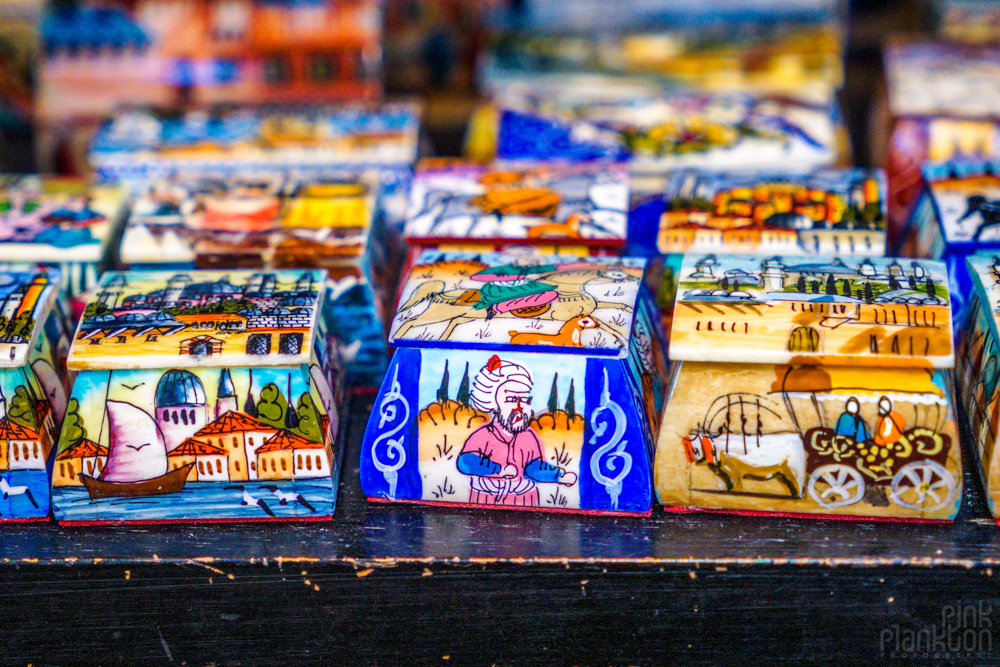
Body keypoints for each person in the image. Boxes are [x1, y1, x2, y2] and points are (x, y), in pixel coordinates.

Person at [456, 355, 577, 506]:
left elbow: (534, 468)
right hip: (485, 501)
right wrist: (498, 470)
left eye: (524, 400)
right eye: (512, 400)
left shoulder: (529, 437)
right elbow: (465, 462)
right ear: (493, 403)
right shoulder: (483, 436)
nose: (520, 408)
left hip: (525, 500)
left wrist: (559, 476)